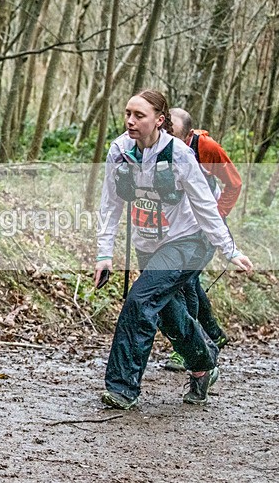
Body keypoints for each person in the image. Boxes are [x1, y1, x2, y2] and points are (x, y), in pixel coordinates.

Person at [95, 89, 253, 409]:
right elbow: (110, 204)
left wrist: (229, 249)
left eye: (139, 115)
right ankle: (203, 364)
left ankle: (122, 388)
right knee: (168, 312)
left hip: (188, 240)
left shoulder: (179, 153)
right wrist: (104, 254)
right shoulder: (120, 151)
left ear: (159, 120)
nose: (130, 121)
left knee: (140, 300)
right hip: (147, 244)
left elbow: (205, 205)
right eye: (128, 113)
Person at [161, 107, 243, 372]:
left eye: (174, 136)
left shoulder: (206, 147)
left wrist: (217, 216)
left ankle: (186, 349)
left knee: (186, 281)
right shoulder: (156, 146)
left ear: (188, 136)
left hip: (206, 225)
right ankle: (213, 334)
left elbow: (234, 183)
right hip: (179, 225)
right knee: (190, 281)